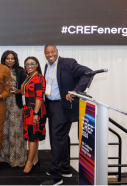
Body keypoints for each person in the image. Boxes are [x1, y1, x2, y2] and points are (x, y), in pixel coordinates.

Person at [41, 44, 91, 186]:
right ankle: (65, 168)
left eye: (52, 52)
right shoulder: (47, 66)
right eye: (47, 52)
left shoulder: (68, 62)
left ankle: (56, 177)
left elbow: (88, 73)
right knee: (61, 137)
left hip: (62, 105)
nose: (50, 54)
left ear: (57, 52)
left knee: (56, 139)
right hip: (51, 105)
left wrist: (75, 91)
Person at [0, 50, 27, 167]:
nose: (10, 60)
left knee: (16, 131)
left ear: (15, 60)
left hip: (16, 104)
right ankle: (5, 157)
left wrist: (20, 91)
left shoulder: (21, 71)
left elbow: (28, 88)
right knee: (4, 131)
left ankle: (18, 158)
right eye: (7, 58)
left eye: (12, 58)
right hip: (2, 104)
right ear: (4, 59)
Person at [21, 56, 47, 176]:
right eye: (27, 64)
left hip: (35, 111)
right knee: (32, 135)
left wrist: (36, 113)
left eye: (32, 63)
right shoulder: (28, 77)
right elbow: (26, 92)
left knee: (32, 136)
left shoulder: (39, 78)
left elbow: (39, 97)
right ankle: (35, 160)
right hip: (27, 110)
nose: (29, 66)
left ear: (37, 64)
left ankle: (29, 163)